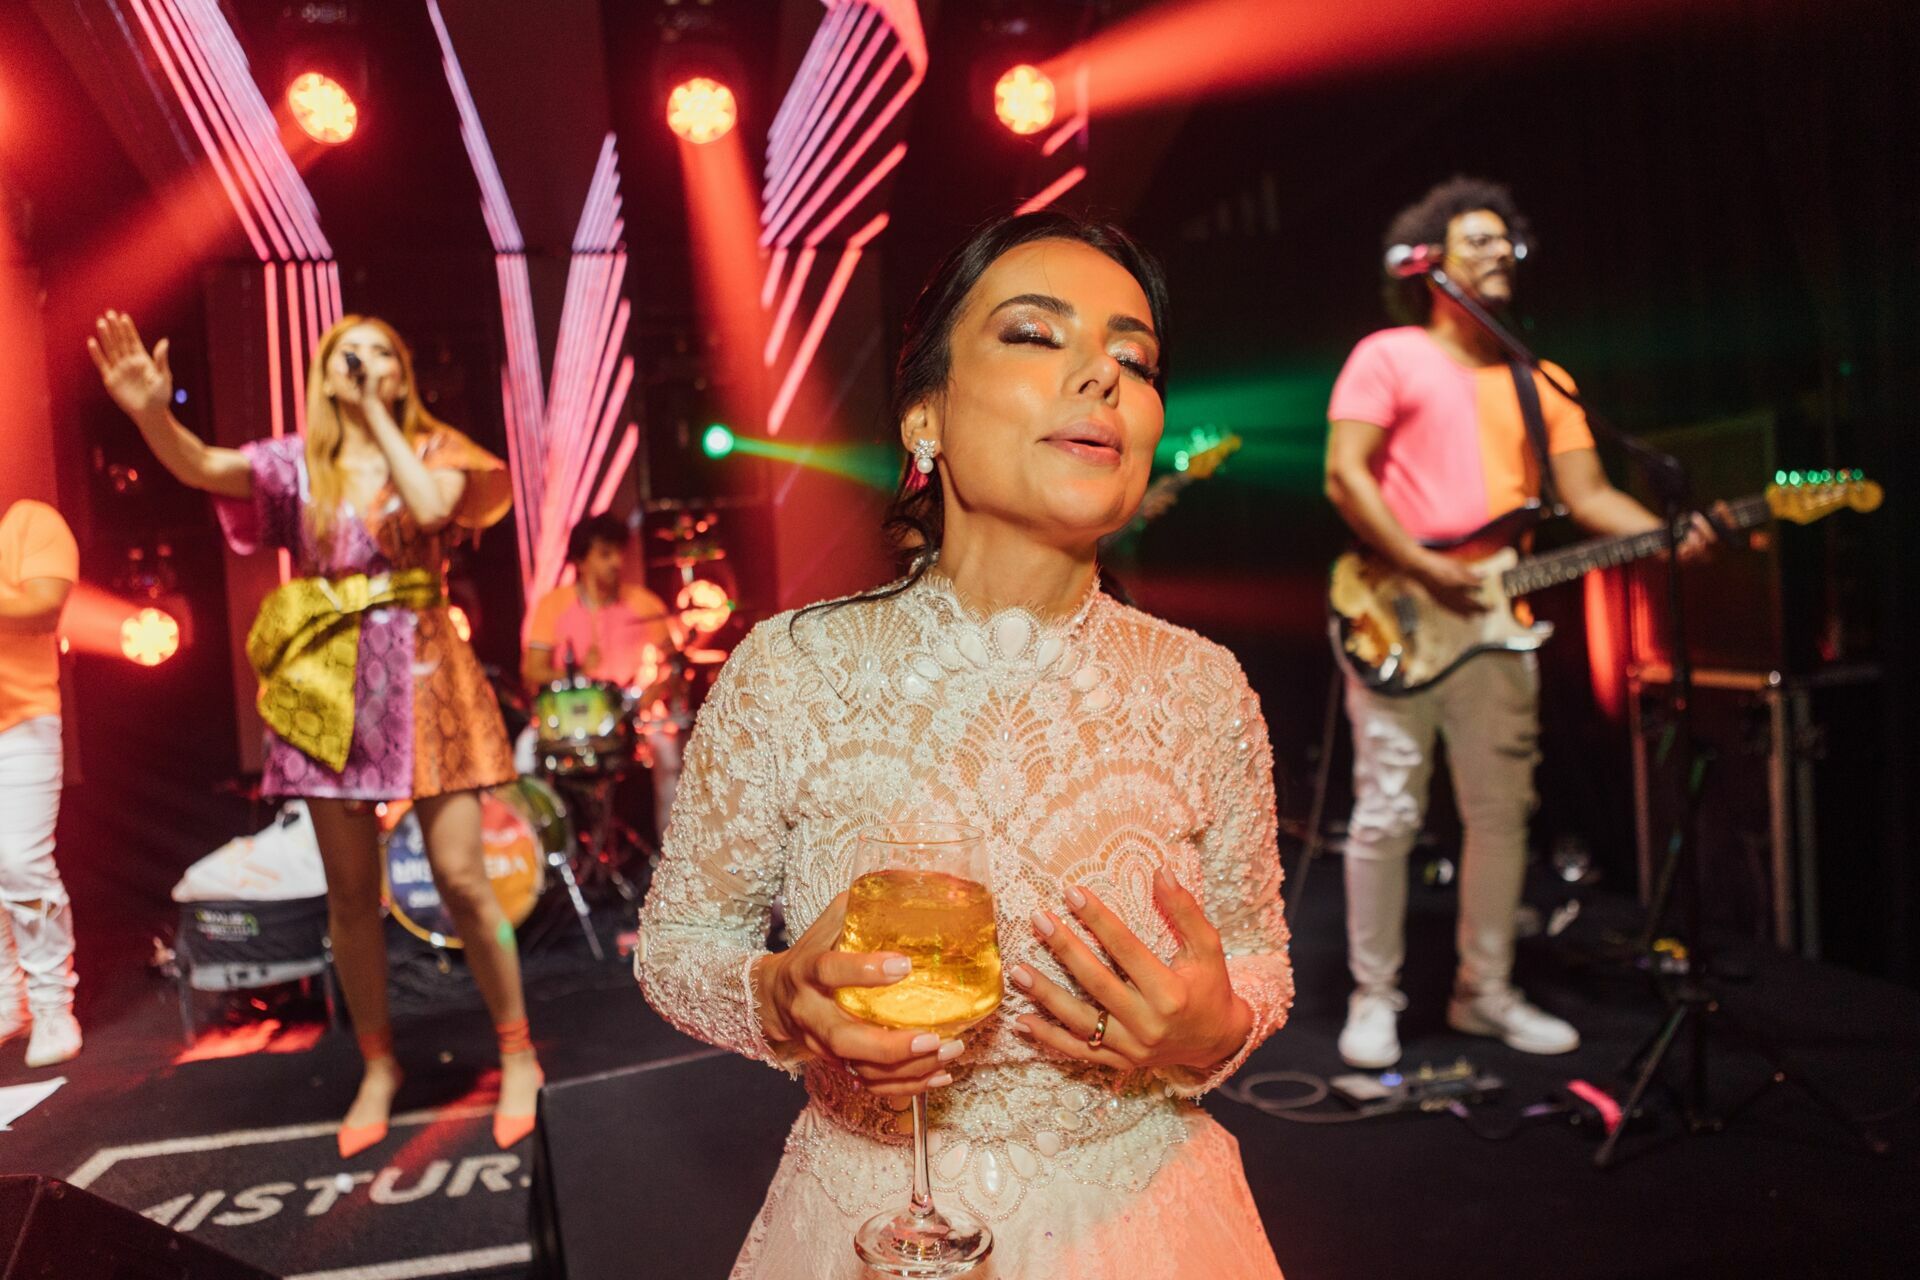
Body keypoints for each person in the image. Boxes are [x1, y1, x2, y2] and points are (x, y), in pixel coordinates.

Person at [638, 212, 1292, 1278]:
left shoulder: (1204, 687)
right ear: (925, 417)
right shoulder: (792, 669)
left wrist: (1212, 1029)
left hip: (1147, 1222)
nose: (1103, 377)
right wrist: (778, 998)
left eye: (1135, 358)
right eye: (1038, 335)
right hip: (868, 1217)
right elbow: (678, 945)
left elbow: (1260, 954)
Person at [89, 310, 544, 1155]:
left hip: (422, 674)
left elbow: (430, 503)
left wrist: (380, 420)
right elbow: (204, 466)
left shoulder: (440, 450)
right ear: (324, 374)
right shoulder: (298, 464)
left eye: (377, 353)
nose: (361, 364)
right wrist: (153, 413)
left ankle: (518, 1050)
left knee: (460, 876)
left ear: (401, 374)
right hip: (330, 684)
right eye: (345, 356)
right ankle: (379, 1064)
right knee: (348, 896)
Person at [1323, 177, 1714, 1069]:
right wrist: (1426, 566)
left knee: (1501, 815)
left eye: (1507, 240)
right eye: (1477, 238)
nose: (1499, 251)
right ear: (1430, 261)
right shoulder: (1388, 354)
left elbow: (1587, 495)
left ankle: (1483, 994)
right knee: (1386, 811)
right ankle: (1374, 997)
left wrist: (1665, 535)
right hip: (1399, 610)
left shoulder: (1545, 382)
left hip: (1500, 624)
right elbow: (1346, 476)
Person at [522, 513, 683, 834]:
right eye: (605, 554)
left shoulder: (643, 603)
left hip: (629, 719)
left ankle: (671, 851)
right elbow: (531, 672)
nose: (616, 563)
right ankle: (542, 850)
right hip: (568, 722)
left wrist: (650, 695)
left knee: (668, 753)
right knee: (524, 753)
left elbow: (674, 664)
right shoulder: (553, 606)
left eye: (619, 553)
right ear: (580, 560)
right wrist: (576, 672)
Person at [0, 498, 83, 1068]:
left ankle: (54, 1003)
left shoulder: (30, 521)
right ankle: (10, 999)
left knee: (20, 861)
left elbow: (44, 609)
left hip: (21, 725)